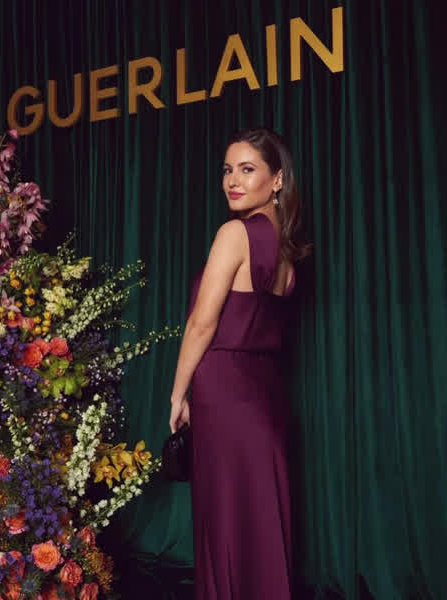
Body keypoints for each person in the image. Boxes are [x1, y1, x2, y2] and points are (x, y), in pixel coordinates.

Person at [169, 127, 311, 600]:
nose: (233, 180)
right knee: (260, 515)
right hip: (265, 393)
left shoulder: (235, 234)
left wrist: (178, 393)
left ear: (277, 179)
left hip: (223, 388)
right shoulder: (287, 248)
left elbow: (202, 324)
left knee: (226, 515)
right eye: (228, 170)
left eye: (247, 169)